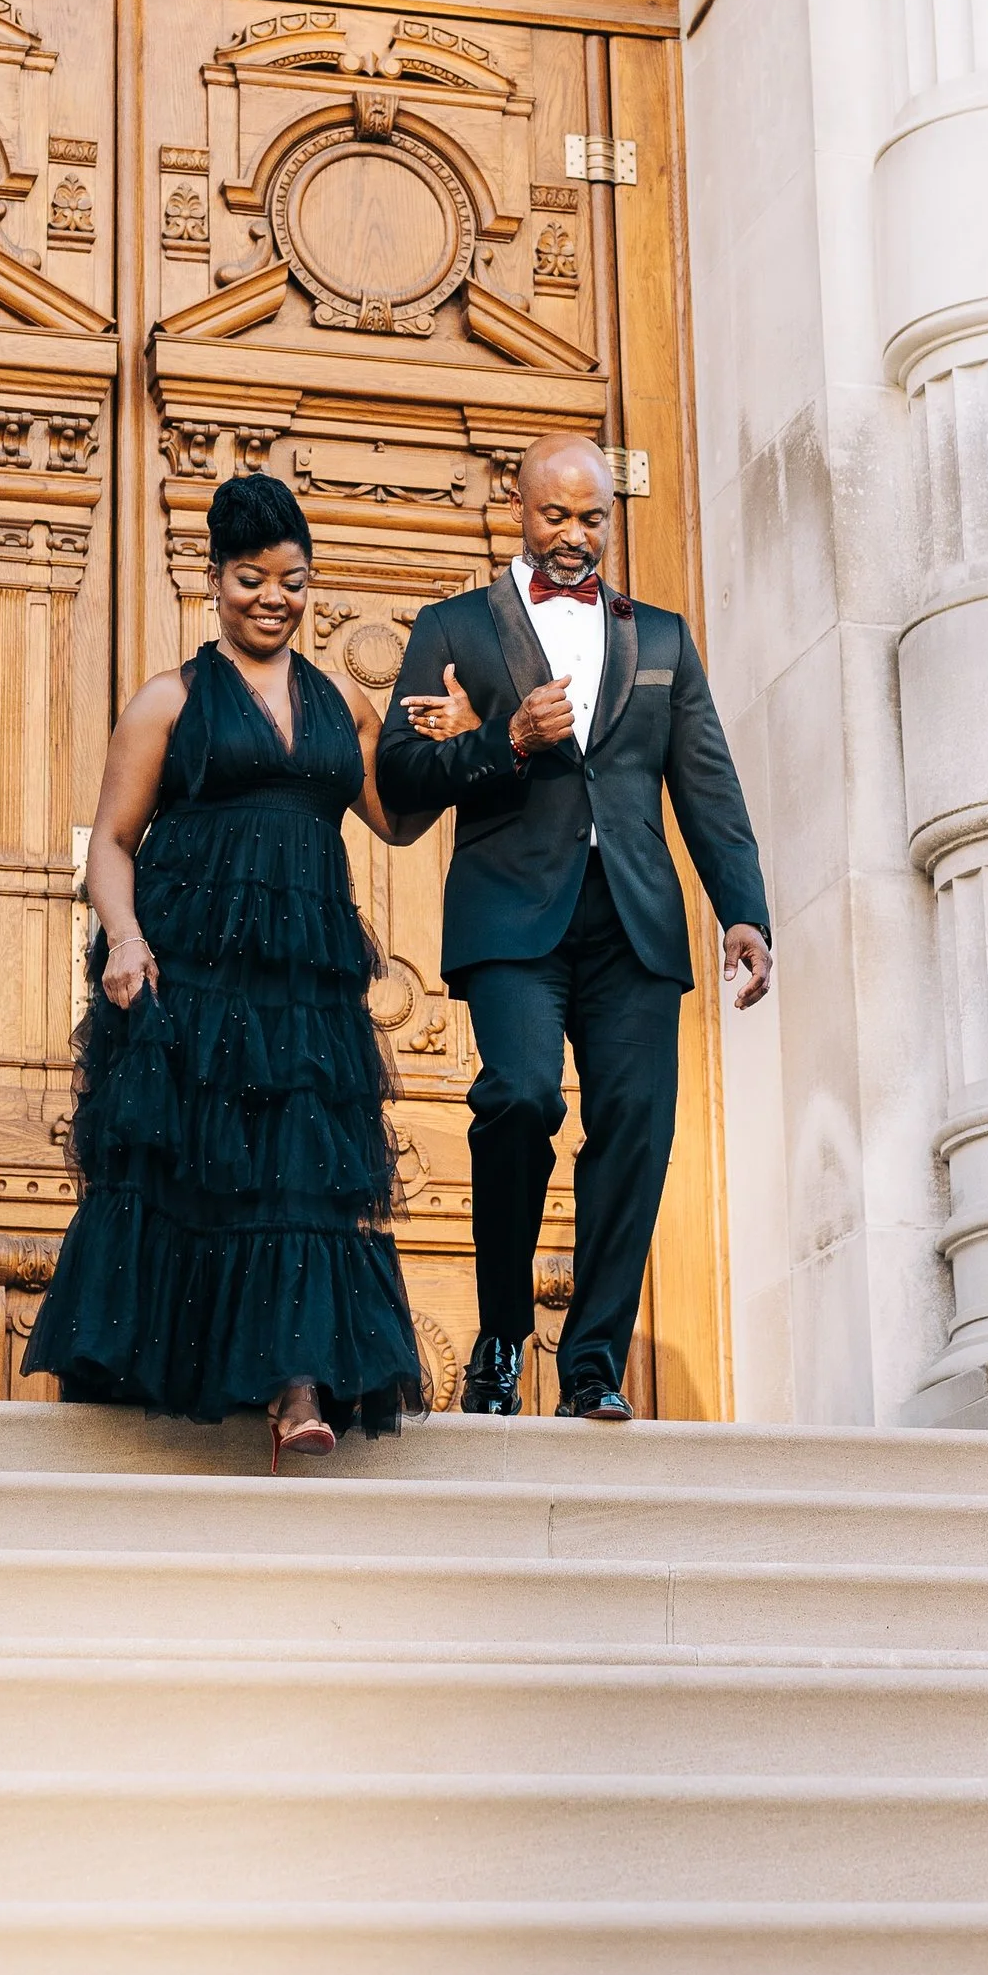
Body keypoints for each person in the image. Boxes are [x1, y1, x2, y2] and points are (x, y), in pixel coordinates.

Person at [24, 470, 442, 1464]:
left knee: (299, 1173)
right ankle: (167, 1368)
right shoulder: (168, 700)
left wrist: (449, 750)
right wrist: (126, 939)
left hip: (303, 980)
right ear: (214, 582)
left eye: (292, 580)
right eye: (252, 578)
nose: (273, 598)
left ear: (311, 585)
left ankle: (299, 1389)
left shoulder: (342, 696)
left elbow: (395, 817)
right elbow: (112, 844)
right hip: (192, 971)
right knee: (196, 1168)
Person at [375, 436, 772, 1421]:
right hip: (511, 911)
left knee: (636, 1130)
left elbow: (707, 785)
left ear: (610, 517)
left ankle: (591, 1365)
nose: (572, 535)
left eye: (591, 517)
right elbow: (396, 778)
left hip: (634, 919)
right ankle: (503, 1336)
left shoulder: (665, 639)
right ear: (518, 509)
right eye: (555, 516)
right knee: (515, 1100)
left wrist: (744, 910)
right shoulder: (454, 628)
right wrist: (501, 740)